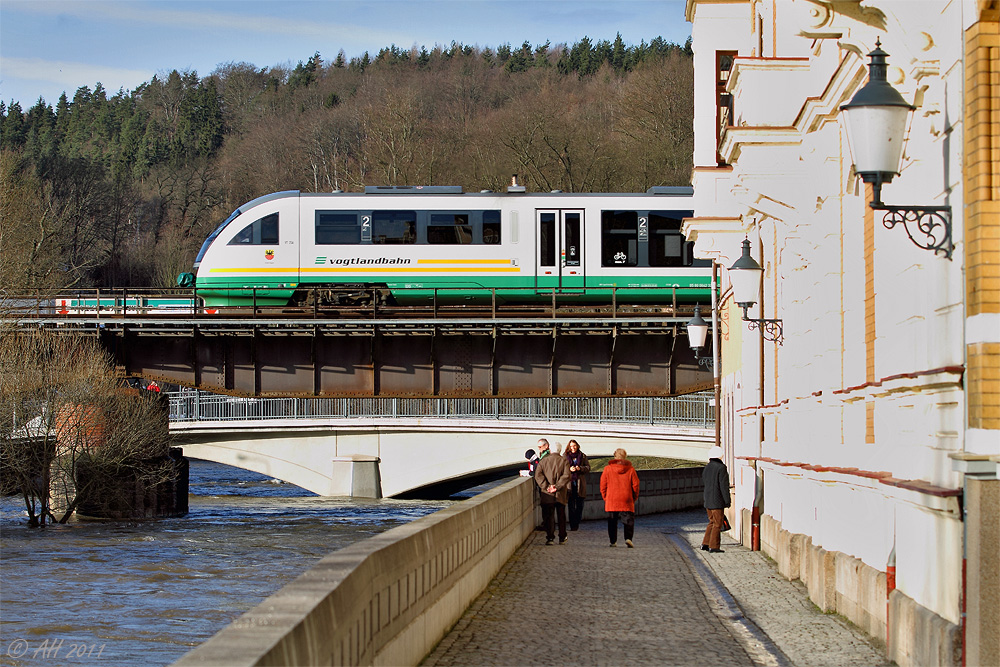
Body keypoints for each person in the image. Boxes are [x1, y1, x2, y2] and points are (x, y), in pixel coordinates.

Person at [533, 439, 571, 545]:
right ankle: (562, 537)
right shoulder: (564, 461)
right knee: (561, 516)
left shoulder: (543, 461)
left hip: (547, 493)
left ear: (550, 449)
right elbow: (567, 475)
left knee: (549, 516)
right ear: (560, 450)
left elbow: (538, 475)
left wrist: (546, 486)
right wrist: (557, 486)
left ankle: (550, 537)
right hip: (560, 494)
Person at [600, 448, 640, 547]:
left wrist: (606, 497)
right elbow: (636, 485)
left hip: (612, 498)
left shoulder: (607, 469)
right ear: (625, 457)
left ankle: (613, 541)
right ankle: (628, 538)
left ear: (615, 456)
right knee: (628, 520)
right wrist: (633, 497)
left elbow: (603, 485)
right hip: (626, 498)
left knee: (612, 521)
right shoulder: (631, 470)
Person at [702, 445, 731, 553]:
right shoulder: (721, 468)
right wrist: (727, 500)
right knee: (717, 524)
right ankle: (714, 546)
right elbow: (724, 486)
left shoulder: (707, 467)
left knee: (711, 522)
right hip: (717, 501)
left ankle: (705, 543)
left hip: (708, 499)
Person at [563, 439, 590, 531]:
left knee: (579, 506)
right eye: (571, 446)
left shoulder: (582, 456)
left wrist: (580, 468)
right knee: (571, 506)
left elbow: (588, 468)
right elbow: (562, 469)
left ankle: (576, 522)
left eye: (574, 446)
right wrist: (569, 469)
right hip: (569, 484)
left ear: (577, 446)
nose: (573, 448)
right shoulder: (565, 456)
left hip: (579, 484)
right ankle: (572, 525)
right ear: (568, 447)